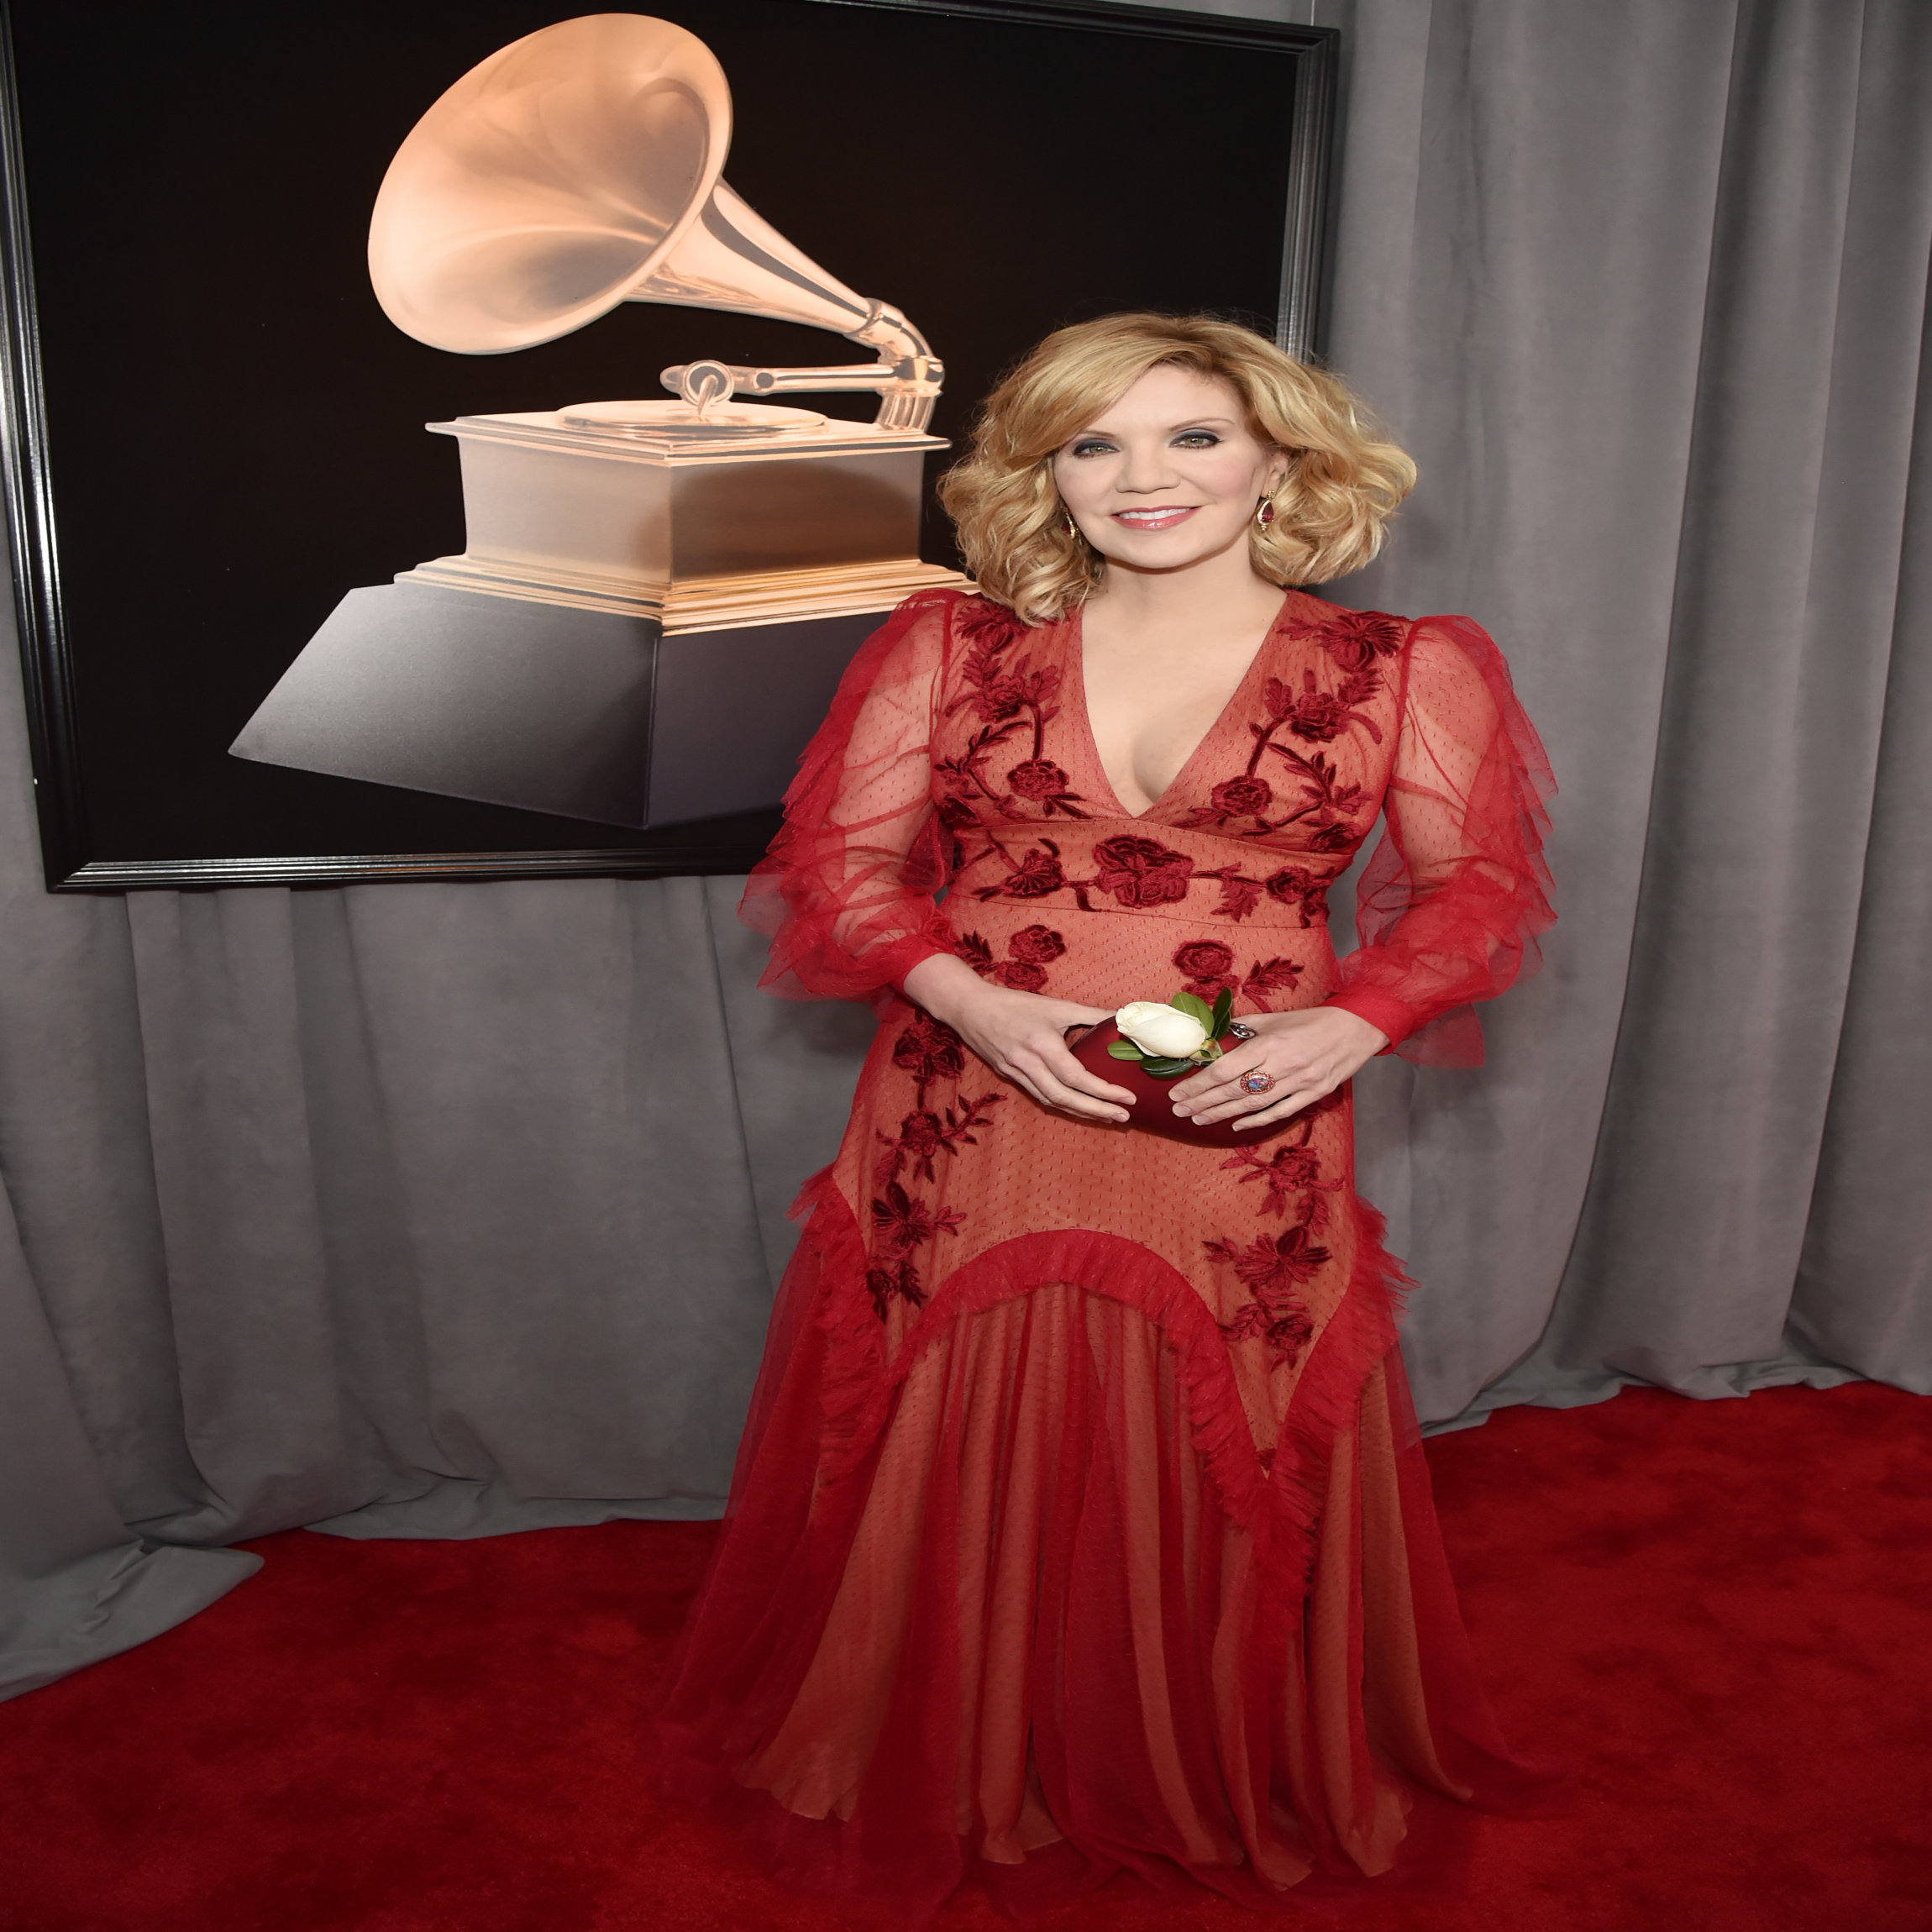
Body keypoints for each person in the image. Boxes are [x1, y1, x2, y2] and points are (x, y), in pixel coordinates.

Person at [655, 313, 1556, 1919]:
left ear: (1282, 455)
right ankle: (951, 1740)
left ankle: (1191, 1750)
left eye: (1193, 437)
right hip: (969, 1107)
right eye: (1094, 444)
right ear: (1046, 474)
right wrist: (970, 1001)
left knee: (1231, 1416)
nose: (1145, 477)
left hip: (1246, 1116)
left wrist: (1355, 1019)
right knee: (952, 1403)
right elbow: (837, 874)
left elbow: (1478, 895)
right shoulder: (950, 644)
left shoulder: (1402, 668)